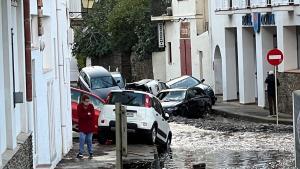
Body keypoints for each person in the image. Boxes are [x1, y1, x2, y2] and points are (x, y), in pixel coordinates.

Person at [77, 95, 95, 159]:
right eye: (86, 101)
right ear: (83, 101)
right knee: (82, 139)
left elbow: (92, 115)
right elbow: (80, 115)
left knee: (89, 140)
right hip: (82, 126)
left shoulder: (91, 106)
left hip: (90, 126)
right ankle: (81, 153)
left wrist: (87, 115)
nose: (88, 103)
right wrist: (87, 114)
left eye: (88, 101)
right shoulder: (79, 106)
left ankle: (90, 153)